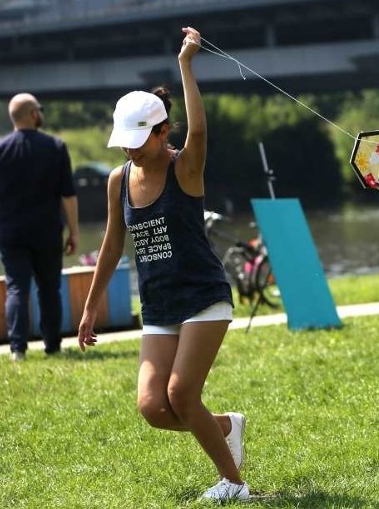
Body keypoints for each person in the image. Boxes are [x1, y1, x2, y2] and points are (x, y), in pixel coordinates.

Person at [77, 27, 248, 502]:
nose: (130, 149)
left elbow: (200, 130)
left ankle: (234, 484)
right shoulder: (119, 178)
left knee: (181, 395)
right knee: (153, 407)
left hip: (202, 296)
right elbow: (112, 246)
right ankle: (224, 427)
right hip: (159, 304)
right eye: (125, 141)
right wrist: (90, 309)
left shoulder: (184, 168)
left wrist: (187, 65)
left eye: (139, 139)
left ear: (162, 131)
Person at [0, 93, 79, 361]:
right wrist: (73, 231)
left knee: (17, 288)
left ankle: (18, 350)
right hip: (47, 230)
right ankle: (52, 346)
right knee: (50, 288)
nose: (41, 113)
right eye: (39, 109)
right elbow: (68, 195)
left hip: (10, 232)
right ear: (31, 114)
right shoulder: (55, 147)